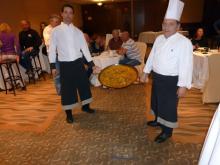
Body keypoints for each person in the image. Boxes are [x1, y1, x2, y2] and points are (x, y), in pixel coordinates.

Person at [141, 0, 193, 143]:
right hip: (157, 78)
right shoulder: (158, 38)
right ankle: (158, 120)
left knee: (168, 106)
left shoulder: (184, 42)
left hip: (172, 81)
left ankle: (167, 131)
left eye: (171, 24)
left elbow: (186, 65)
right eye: (165, 23)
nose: (166, 26)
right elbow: (152, 56)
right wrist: (146, 72)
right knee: (157, 101)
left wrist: (183, 85)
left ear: (178, 26)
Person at [49, 4, 100, 124]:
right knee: (67, 89)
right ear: (61, 14)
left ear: (73, 15)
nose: (68, 15)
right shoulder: (55, 31)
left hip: (78, 63)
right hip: (65, 65)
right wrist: (52, 66)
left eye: (70, 13)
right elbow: (52, 49)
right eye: (65, 12)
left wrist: (92, 65)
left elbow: (85, 49)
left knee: (83, 85)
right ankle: (69, 114)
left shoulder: (78, 32)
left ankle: (86, 107)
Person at [0, 23, 26, 90]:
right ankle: (22, 84)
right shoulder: (12, 34)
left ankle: (10, 86)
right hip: (12, 55)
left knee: (5, 71)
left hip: (3, 56)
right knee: (17, 70)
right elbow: (17, 45)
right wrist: (18, 54)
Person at [43, 14, 61, 95]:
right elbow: (48, 43)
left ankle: (66, 88)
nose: (56, 23)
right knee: (57, 73)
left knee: (64, 72)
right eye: (54, 22)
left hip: (62, 53)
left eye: (57, 22)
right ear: (50, 22)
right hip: (53, 54)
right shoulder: (47, 30)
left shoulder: (60, 28)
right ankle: (60, 91)